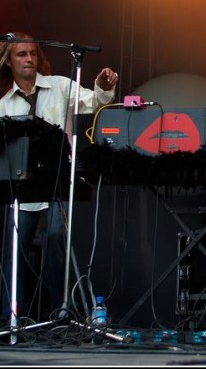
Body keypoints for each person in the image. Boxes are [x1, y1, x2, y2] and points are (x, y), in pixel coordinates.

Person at [0, 31, 118, 324]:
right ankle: (13, 318)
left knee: (56, 242)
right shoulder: (3, 100)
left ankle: (60, 315)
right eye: (21, 54)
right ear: (8, 62)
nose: (29, 59)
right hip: (19, 183)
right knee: (15, 251)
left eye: (32, 53)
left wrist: (103, 87)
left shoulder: (59, 86)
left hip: (56, 180)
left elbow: (93, 102)